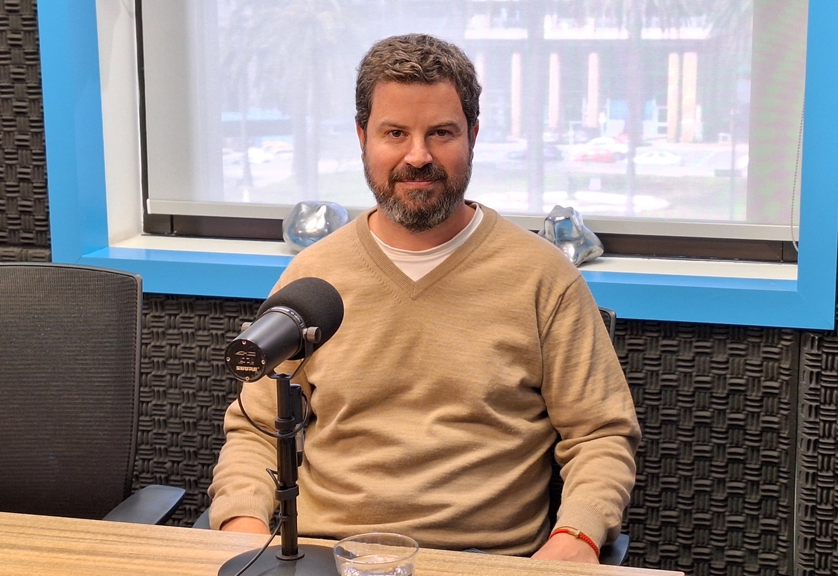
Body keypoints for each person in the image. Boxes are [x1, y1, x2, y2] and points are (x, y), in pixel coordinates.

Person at [208, 33, 640, 564]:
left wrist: (577, 538)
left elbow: (600, 434)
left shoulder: (541, 277)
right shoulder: (313, 278)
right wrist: (242, 526)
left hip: (486, 560)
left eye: (441, 133)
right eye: (395, 133)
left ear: (474, 137)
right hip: (329, 557)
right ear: (362, 137)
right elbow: (256, 431)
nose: (418, 156)